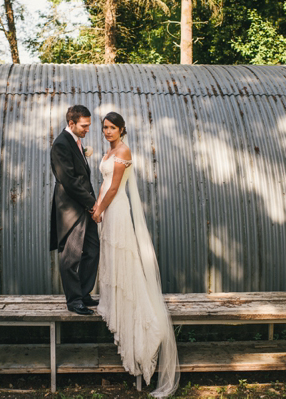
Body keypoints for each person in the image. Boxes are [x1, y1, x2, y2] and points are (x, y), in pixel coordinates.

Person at [92, 112, 179, 397]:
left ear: (121, 129)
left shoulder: (124, 149)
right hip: (107, 207)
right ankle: (112, 298)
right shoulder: (110, 150)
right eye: (104, 127)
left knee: (122, 253)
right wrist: (96, 204)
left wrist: (100, 209)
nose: (107, 131)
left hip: (116, 209)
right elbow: (105, 184)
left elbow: (115, 187)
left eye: (112, 127)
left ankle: (135, 315)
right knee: (110, 254)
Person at [50, 105, 100, 315]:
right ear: (71, 123)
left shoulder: (76, 142)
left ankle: (84, 292)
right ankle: (74, 301)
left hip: (84, 207)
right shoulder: (61, 144)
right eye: (84, 125)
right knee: (70, 257)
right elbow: (69, 181)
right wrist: (92, 203)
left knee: (92, 250)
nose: (87, 129)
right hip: (71, 210)